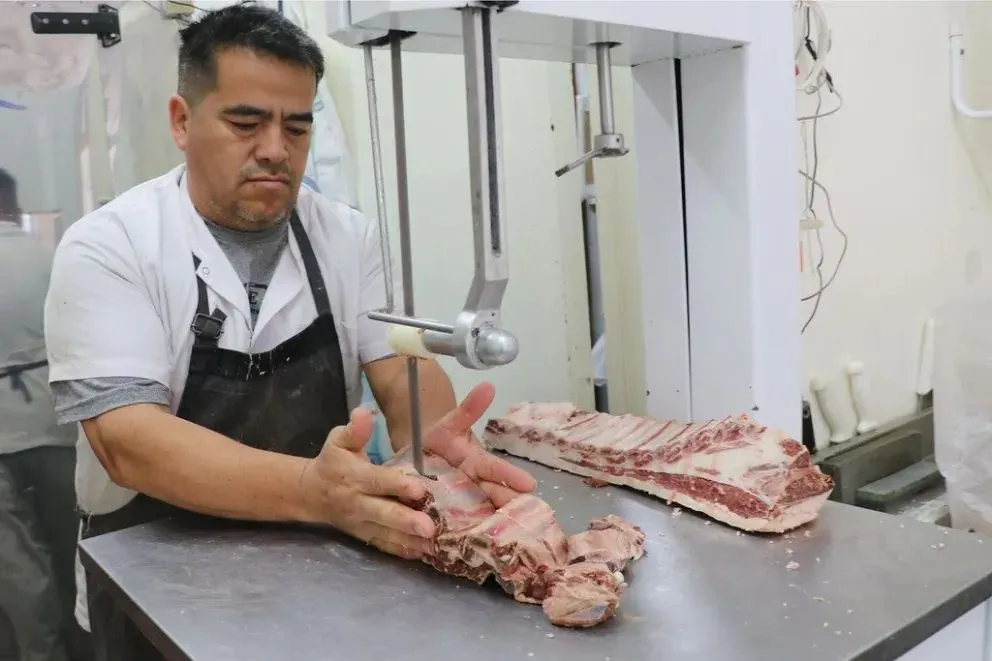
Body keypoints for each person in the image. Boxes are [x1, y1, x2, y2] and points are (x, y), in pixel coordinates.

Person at [42, 4, 536, 660]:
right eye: (246, 122)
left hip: (315, 580)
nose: (275, 149)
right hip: (153, 588)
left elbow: (397, 367)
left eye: (297, 127)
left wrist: (435, 442)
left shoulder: (345, 235)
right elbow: (129, 442)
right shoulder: (110, 244)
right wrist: (316, 492)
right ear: (181, 121)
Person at [0, 169, 86, 661]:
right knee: (73, 545)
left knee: (18, 567)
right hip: (56, 422)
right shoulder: (47, 256)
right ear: (13, 205)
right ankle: (91, 645)